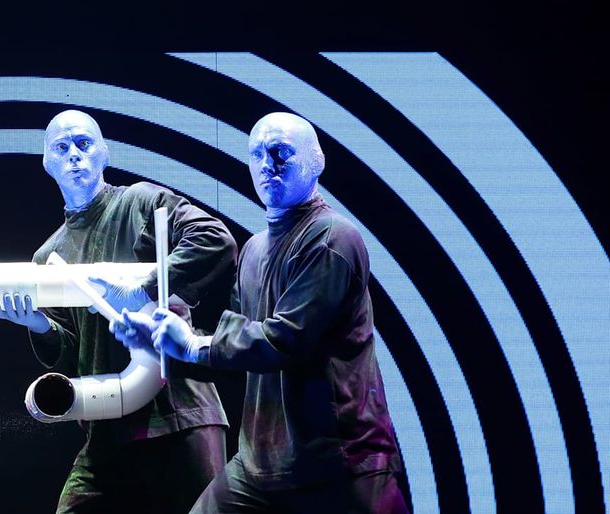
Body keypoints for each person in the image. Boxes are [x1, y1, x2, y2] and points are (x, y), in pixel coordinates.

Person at [113, 113, 408, 513]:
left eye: (280, 152)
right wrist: (162, 343)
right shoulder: (253, 250)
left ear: (317, 161)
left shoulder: (333, 237)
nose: (267, 164)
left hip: (338, 465)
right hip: (261, 465)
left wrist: (195, 345)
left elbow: (285, 339)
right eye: (256, 154)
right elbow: (236, 358)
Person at [0, 110, 238, 513]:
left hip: (176, 414)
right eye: (62, 147)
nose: (74, 154)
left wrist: (144, 288)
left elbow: (213, 238)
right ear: (47, 163)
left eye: (84, 143)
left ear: (104, 153)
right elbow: (71, 353)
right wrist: (37, 324)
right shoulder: (47, 255)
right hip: (109, 423)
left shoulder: (139, 202)